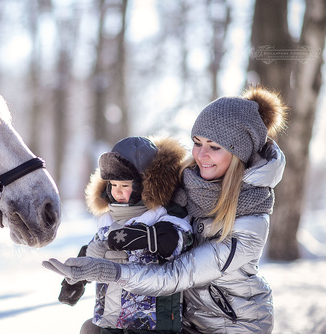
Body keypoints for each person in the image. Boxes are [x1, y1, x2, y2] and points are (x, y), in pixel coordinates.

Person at [43, 85, 287, 334]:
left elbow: (175, 275)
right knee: (92, 330)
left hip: (231, 325)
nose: (201, 155)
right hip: (182, 318)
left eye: (214, 147)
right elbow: (131, 217)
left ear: (238, 153)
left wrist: (109, 271)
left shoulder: (250, 222)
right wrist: (87, 261)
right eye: (197, 142)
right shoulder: (186, 181)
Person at [57, 136, 192, 333]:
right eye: (113, 185)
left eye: (125, 185)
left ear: (143, 185)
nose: (118, 191)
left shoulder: (161, 213)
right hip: (110, 317)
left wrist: (145, 236)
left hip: (152, 321)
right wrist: (75, 280)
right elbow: (93, 250)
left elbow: (176, 240)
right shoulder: (107, 218)